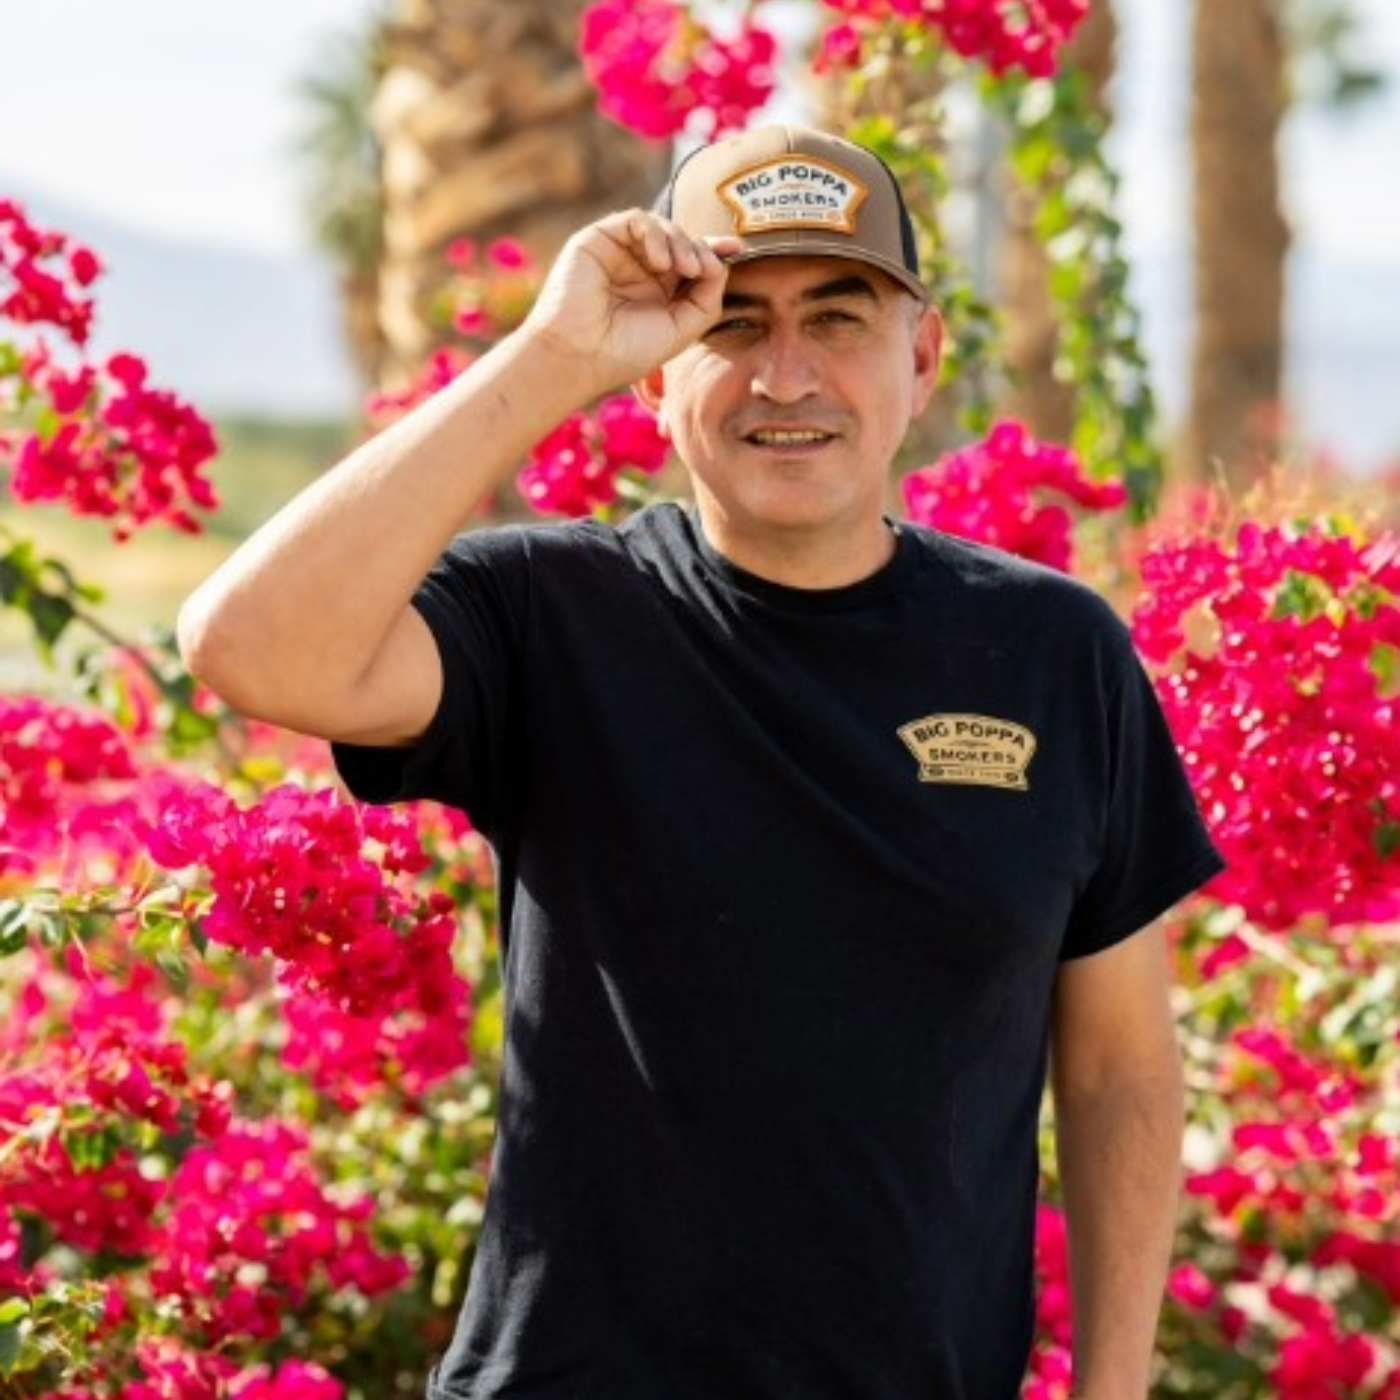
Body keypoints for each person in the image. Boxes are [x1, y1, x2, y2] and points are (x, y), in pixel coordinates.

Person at [178, 124, 1227, 1400]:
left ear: (922, 351)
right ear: (656, 379)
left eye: (838, 318)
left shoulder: (1053, 654)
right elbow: (250, 644)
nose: (784, 375)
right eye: (729, 326)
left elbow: (1118, 1065)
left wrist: (1109, 1392)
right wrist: (552, 352)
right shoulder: (550, 616)